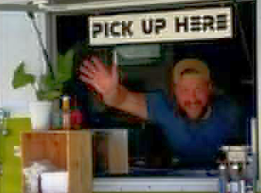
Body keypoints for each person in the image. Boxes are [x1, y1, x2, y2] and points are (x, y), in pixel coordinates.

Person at [78, 54, 244, 167]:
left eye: (198, 89)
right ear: (174, 90)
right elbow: (122, 100)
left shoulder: (231, 111)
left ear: (209, 88)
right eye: (185, 90)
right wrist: (110, 91)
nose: (192, 98)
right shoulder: (163, 106)